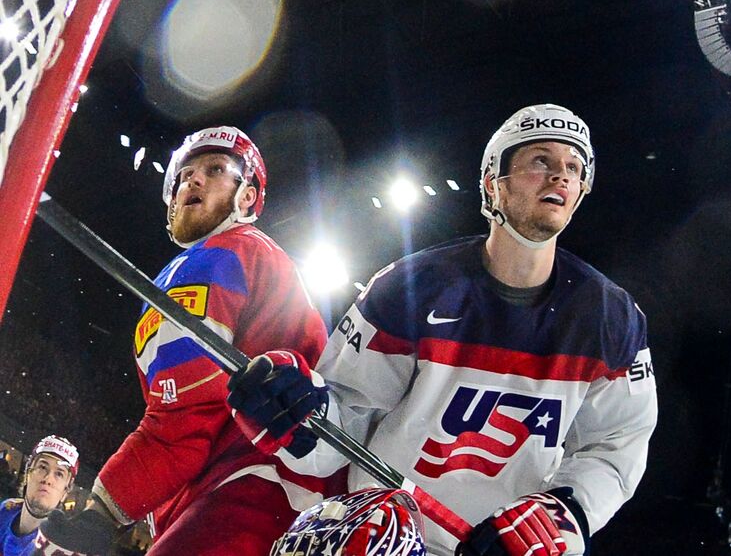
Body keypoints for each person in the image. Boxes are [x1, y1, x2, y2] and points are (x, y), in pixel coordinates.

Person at [228, 104, 658, 556]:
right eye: (540, 161)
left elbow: (616, 444)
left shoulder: (610, 317)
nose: (561, 177)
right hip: (387, 539)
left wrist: (563, 512)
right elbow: (346, 422)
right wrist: (298, 417)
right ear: (494, 182)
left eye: (573, 167)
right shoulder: (409, 288)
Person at [31, 127, 334, 556]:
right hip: (271, 490)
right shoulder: (210, 263)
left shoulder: (223, 254)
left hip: (254, 488)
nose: (193, 180)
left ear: (246, 197)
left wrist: (105, 509)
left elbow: (184, 418)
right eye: (184, 175)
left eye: (215, 170)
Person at [0, 437, 78, 556]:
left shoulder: (61, 550)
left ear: (66, 490)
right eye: (42, 467)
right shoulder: (6, 509)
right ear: (27, 473)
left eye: (59, 474)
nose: (48, 479)